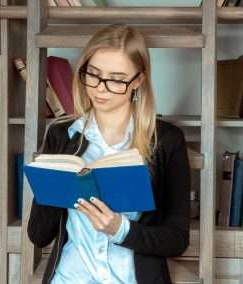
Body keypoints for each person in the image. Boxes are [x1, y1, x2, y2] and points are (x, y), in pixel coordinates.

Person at [27, 24, 191, 284]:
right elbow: (38, 235)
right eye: (92, 74)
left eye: (116, 79)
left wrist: (120, 229)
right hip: (70, 277)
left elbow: (177, 239)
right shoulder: (62, 134)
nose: (100, 88)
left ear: (138, 80)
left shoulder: (166, 140)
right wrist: (53, 183)